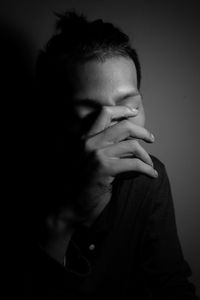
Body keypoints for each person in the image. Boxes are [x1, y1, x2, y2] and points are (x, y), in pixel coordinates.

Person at [24, 11, 199, 299]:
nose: (113, 127)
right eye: (89, 112)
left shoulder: (148, 178)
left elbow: (171, 287)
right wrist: (67, 215)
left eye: (129, 107)